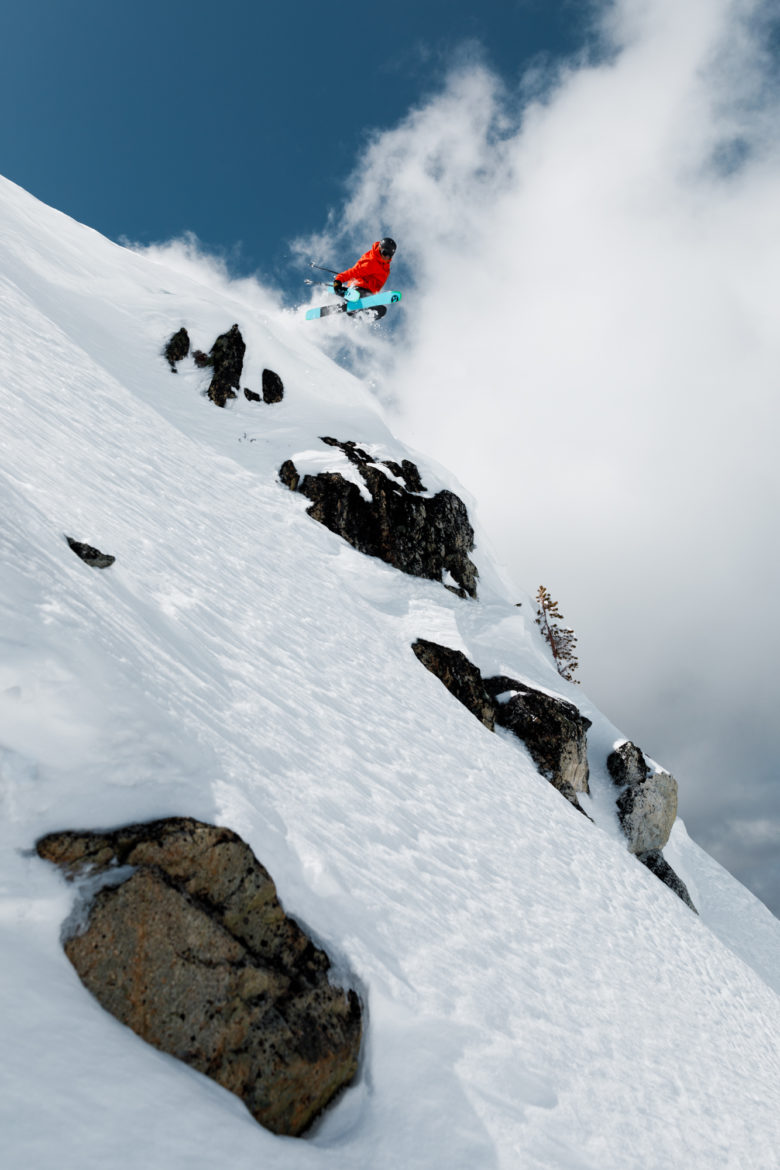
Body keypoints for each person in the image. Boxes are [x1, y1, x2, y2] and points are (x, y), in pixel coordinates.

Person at [333, 238, 397, 319]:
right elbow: (353, 272)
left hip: (368, 293)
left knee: (381, 311)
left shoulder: (385, 267)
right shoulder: (371, 262)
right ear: (380, 248)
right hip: (359, 288)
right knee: (360, 296)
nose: (386, 257)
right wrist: (338, 280)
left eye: (389, 255)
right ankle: (351, 300)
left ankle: (361, 314)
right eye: (384, 253)